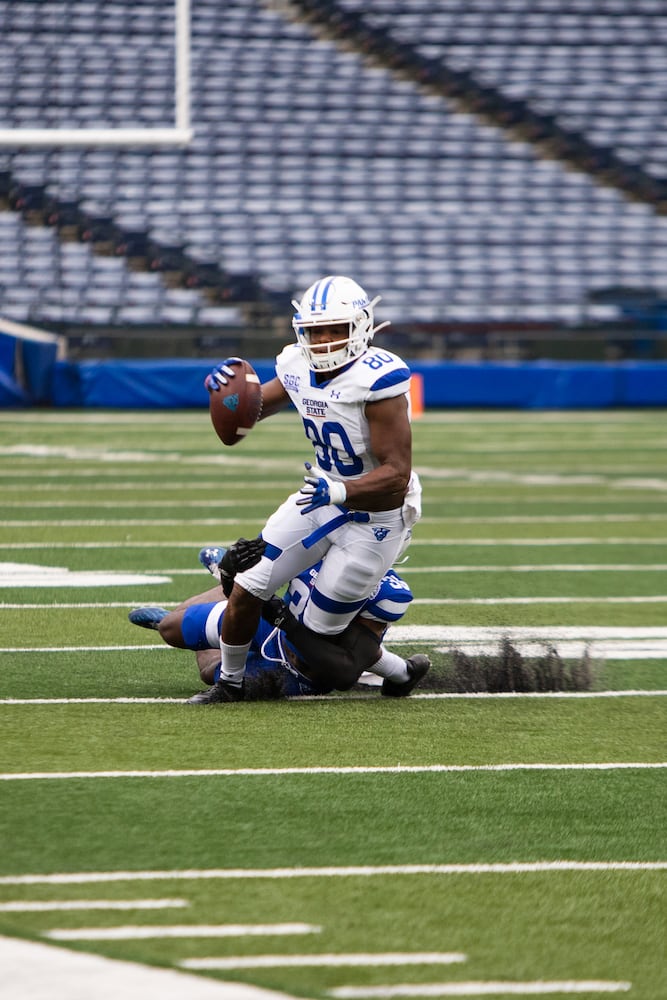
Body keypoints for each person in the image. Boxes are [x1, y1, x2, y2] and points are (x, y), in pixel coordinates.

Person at [201, 275, 422, 703]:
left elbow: (396, 476)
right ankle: (229, 683)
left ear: (360, 327)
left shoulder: (378, 381)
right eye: (314, 330)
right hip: (319, 497)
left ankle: (396, 669)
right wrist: (227, 398)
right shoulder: (297, 365)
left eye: (335, 329)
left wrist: (339, 492)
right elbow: (242, 422)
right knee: (248, 584)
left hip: (374, 519)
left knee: (316, 639)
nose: (322, 340)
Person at [129, 541, 430, 701]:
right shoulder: (311, 540)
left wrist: (287, 622)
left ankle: (402, 672)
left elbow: (345, 672)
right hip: (272, 624)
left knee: (211, 673)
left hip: (303, 669)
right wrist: (237, 567)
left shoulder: (386, 592)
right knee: (171, 627)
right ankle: (229, 587)